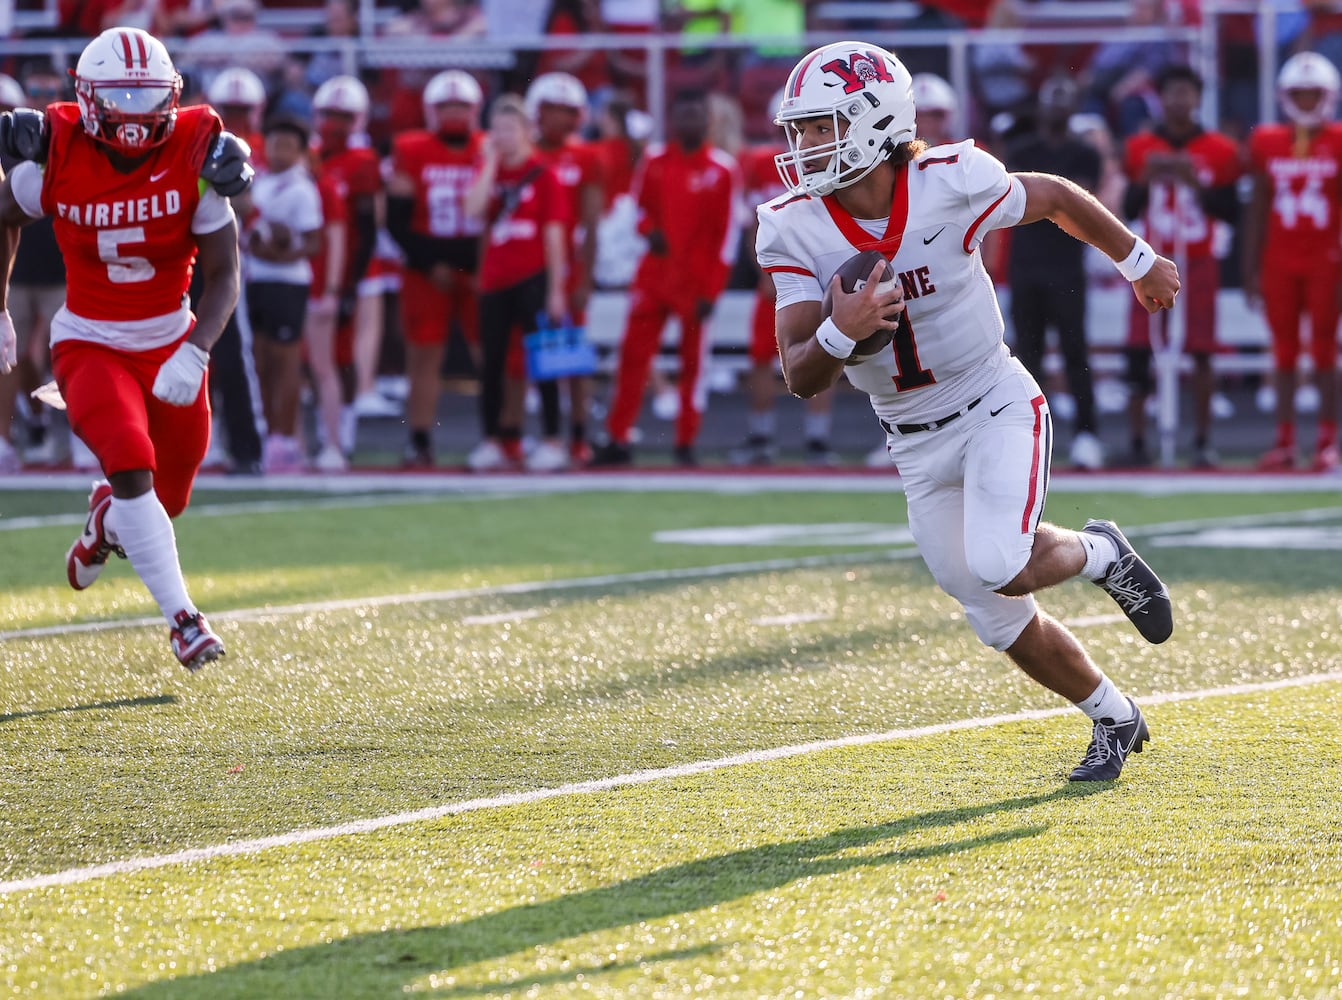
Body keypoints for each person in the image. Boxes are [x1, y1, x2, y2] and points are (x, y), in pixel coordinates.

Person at [756, 40, 1178, 780]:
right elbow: (798, 373)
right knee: (992, 614)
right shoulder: (793, 225)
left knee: (1000, 561)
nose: (805, 145)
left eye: (821, 127)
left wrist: (1138, 260)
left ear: (871, 119)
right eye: (801, 129)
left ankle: (1103, 553)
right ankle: (1115, 717)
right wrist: (839, 331)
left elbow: (1051, 195)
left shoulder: (950, 180)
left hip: (992, 402)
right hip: (910, 441)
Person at [0, 26, 253, 670]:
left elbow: (225, 271)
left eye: (148, 95)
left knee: (165, 501)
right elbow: (3, 216)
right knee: (131, 459)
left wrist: (196, 348)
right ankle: (184, 621)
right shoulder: (56, 152)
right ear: (87, 99)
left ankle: (105, 525)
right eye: (122, 96)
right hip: (89, 341)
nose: (138, 113)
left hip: (169, 339)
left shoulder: (198, 155)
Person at [593, 89, 739, 467]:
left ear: (706, 122)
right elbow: (636, 211)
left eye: (696, 115)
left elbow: (727, 236)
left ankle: (685, 441)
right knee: (632, 359)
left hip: (696, 283)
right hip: (654, 276)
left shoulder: (722, 169)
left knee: (694, 365)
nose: (689, 122)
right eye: (683, 115)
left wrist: (712, 288)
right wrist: (648, 228)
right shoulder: (655, 162)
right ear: (674, 121)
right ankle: (618, 437)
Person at [1120, 65, 1241, 468]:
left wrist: (1194, 183)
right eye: (1172, 92)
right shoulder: (1141, 146)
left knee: (1201, 350)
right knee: (1140, 348)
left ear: (1198, 97)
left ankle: (1203, 440)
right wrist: (1147, 177)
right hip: (1151, 257)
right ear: (1161, 97)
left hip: (1197, 259)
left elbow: (1229, 210)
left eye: (1186, 92)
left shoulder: (1219, 149)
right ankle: (1138, 441)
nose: (1179, 100)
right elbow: (1127, 208)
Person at [1243, 52, 1342, 472]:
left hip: (1327, 257)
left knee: (1323, 349)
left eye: (1312, 94)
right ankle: (1284, 439)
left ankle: (1326, 440)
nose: (1305, 101)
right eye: (1298, 94)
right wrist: (1250, 267)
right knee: (1283, 352)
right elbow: (1259, 206)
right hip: (1279, 258)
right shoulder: (1267, 141)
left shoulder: (1338, 139)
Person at [730, 86, 838, 467]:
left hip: (821, 276)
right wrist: (764, 270)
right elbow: (750, 227)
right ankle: (760, 434)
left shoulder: (833, 159)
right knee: (762, 356)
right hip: (772, 280)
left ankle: (817, 439)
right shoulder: (758, 162)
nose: (798, 136)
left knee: (826, 351)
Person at [461, 94, 568, 471]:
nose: (502, 135)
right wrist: (489, 162)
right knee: (491, 363)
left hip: (532, 276)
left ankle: (553, 438)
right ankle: (492, 438)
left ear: (526, 131)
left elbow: (554, 235)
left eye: (509, 128)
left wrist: (556, 288)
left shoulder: (545, 174)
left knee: (544, 361)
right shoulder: (489, 172)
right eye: (496, 129)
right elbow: (472, 211)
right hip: (495, 279)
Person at [1005, 77, 1106, 471]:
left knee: (1074, 351)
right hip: (1027, 265)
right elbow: (1020, 205)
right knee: (1026, 356)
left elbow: (1076, 206)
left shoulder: (1084, 154)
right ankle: (1028, 437)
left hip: (1066, 268)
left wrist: (1047, 203)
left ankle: (1087, 434)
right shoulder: (1022, 149)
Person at [385, 70, 486, 468]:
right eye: (446, 106)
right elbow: (397, 220)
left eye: (461, 105)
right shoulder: (411, 149)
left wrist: (477, 264)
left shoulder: (489, 147)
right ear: (431, 110)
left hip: (478, 266)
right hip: (426, 268)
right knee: (424, 355)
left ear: (475, 109)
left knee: (491, 355)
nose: (454, 113)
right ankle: (420, 438)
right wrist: (430, 262)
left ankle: (499, 436)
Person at [526, 72, 604, 467]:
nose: (561, 119)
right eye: (553, 110)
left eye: (568, 111)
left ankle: (577, 436)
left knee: (574, 358)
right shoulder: (523, 153)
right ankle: (520, 433)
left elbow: (591, 225)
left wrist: (586, 277)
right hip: (524, 265)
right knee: (521, 356)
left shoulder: (586, 156)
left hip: (568, 268)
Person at [311, 74, 385, 468]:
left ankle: (344, 430)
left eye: (343, 116)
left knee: (341, 356)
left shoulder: (362, 162)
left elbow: (368, 229)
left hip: (347, 269)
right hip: (311, 269)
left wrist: (351, 284)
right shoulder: (308, 155)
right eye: (329, 115)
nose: (334, 123)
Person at [244, 114, 324, 473]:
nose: (279, 152)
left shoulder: (302, 188)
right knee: (259, 358)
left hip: (287, 280)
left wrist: (278, 253)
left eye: (288, 146)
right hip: (255, 276)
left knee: (285, 358)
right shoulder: (260, 183)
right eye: (275, 144)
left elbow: (312, 241)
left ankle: (286, 437)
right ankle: (268, 430)